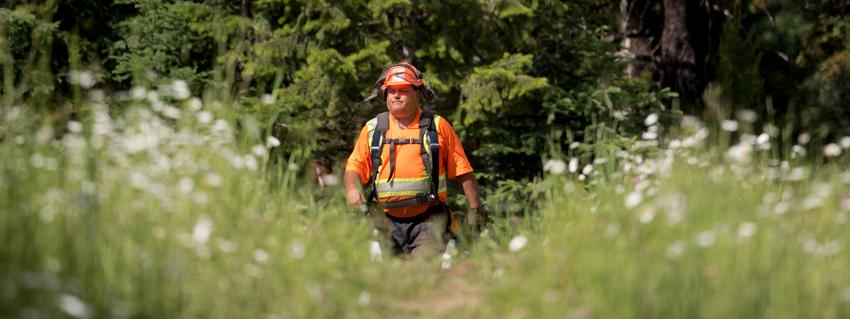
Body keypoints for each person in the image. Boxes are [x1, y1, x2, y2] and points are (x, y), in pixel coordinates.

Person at [344, 62, 486, 257]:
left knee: (421, 272)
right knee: (392, 279)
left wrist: (476, 210)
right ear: (385, 94)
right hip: (385, 222)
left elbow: (463, 171)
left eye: (403, 90)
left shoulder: (437, 127)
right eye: (391, 90)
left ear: (416, 93)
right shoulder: (373, 129)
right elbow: (354, 167)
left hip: (429, 221)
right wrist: (352, 187)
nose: (396, 95)